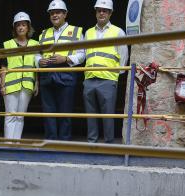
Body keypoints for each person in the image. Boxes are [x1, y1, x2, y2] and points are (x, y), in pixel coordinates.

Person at [37, 0, 84, 141]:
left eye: (57, 12)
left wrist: (65, 59)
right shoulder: (44, 34)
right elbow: (37, 53)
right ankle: (50, 141)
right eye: (52, 13)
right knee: (48, 111)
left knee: (65, 111)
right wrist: (38, 60)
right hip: (46, 75)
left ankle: (64, 141)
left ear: (65, 14)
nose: (54, 15)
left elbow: (82, 54)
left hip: (66, 73)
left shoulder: (76, 31)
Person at [83, 0, 128, 143]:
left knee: (108, 115)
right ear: (96, 12)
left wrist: (116, 75)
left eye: (105, 10)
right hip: (89, 79)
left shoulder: (118, 31)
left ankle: (109, 143)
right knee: (90, 114)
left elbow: (123, 56)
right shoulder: (89, 32)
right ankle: (92, 143)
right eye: (99, 10)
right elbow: (85, 54)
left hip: (108, 80)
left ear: (110, 13)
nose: (101, 13)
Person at [1, 12, 40, 139]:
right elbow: (4, 66)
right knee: (10, 116)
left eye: (23, 25)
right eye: (18, 25)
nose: (21, 27)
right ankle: (8, 145)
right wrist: (2, 85)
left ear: (28, 27)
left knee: (20, 116)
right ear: (15, 28)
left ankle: (16, 144)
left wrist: (36, 84)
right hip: (11, 85)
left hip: (27, 85)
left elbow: (36, 67)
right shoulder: (8, 44)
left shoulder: (35, 44)